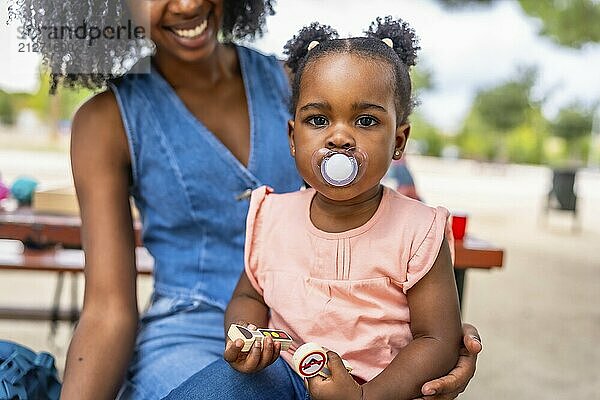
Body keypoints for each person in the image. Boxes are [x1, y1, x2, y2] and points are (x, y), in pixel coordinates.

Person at [14, 1, 481, 399]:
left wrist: (434, 347)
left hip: (345, 346)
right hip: (198, 334)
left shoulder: (306, 80)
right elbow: (108, 310)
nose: (187, 4)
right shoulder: (107, 121)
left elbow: (391, 239)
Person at [165, 17, 465, 400]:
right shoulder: (272, 216)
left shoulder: (418, 230)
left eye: (366, 120)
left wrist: (365, 398)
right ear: (293, 137)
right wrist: (246, 337)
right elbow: (249, 297)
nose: (339, 136)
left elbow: (437, 338)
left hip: (381, 385)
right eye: (318, 120)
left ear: (398, 141)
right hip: (281, 375)